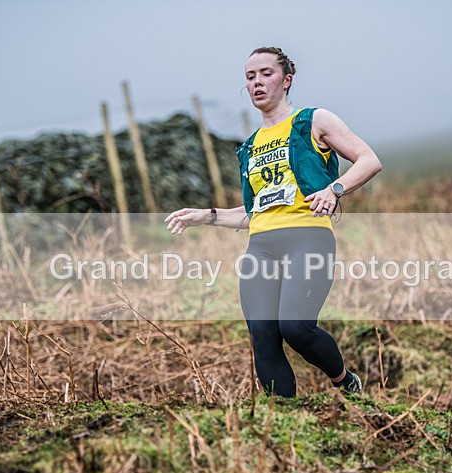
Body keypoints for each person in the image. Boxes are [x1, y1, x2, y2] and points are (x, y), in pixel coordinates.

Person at [164, 46, 382, 398]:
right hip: (261, 247)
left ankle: (344, 381)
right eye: (250, 77)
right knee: (263, 338)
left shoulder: (314, 120)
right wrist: (208, 216)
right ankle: (286, 425)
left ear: (287, 79)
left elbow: (369, 160)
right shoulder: (249, 146)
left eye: (266, 73)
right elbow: (256, 212)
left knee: (295, 328)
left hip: (308, 239)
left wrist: (335, 189)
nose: (257, 83)